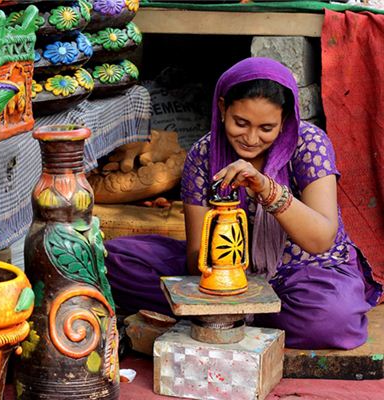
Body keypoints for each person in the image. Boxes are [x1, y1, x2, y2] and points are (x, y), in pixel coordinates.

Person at [105, 57, 382, 350]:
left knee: (331, 318)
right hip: (227, 272)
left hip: (305, 272)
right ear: (223, 108)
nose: (251, 138)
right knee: (112, 261)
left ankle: (218, 319)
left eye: (266, 128)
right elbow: (196, 259)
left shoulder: (308, 145)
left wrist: (267, 189)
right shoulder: (204, 154)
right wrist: (231, 279)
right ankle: (236, 313)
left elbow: (320, 238)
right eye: (241, 123)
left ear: (285, 120)